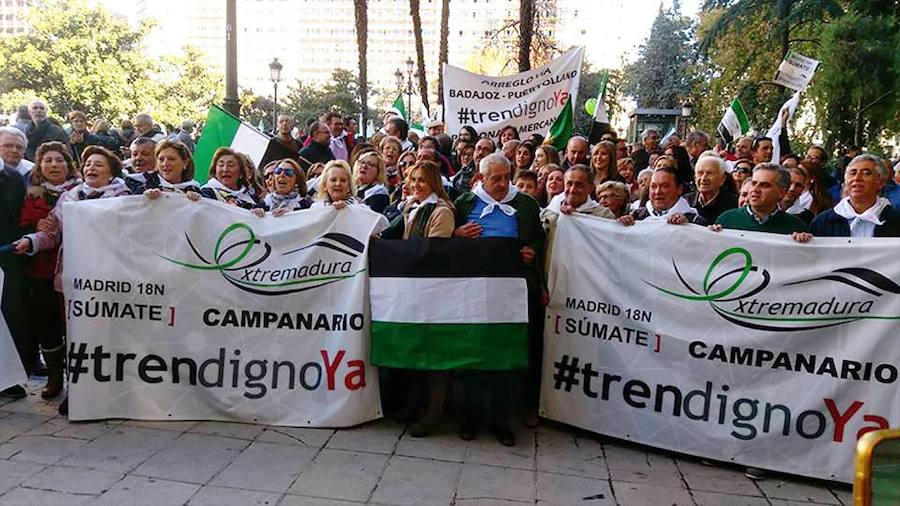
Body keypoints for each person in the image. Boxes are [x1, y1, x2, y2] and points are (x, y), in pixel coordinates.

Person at [13, 146, 131, 410]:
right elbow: (51, 234)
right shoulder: (70, 197)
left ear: (111, 172)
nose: (91, 168)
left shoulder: (125, 200)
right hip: (73, 278)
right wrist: (30, 241)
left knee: (101, 334)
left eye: (99, 165)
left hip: (107, 277)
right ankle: (74, 389)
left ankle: (102, 389)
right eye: (88, 164)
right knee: (74, 333)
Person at [452, 153, 543, 446]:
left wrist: (532, 252)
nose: (503, 183)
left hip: (510, 292)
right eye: (496, 179)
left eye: (507, 177)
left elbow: (539, 239)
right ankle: (469, 416)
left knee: (504, 356)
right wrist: (456, 234)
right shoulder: (465, 203)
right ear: (482, 179)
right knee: (472, 353)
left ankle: (501, 420)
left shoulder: (526, 204)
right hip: (473, 290)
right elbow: (442, 239)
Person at [380, 160, 454, 437]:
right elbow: (390, 233)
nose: (416, 185)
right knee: (415, 349)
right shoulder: (412, 207)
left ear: (434, 182)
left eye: (422, 180)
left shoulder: (441, 211)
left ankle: (433, 413)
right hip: (412, 288)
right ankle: (413, 405)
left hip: (433, 290)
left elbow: (434, 252)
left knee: (434, 354)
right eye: (413, 180)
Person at [17, 142, 80, 399]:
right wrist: (34, 228)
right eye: (48, 161)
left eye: (59, 160)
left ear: (68, 164)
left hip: (77, 269)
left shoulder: (81, 192)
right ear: (40, 166)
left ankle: (77, 382)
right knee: (48, 325)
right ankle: (54, 379)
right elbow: (19, 227)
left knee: (75, 326)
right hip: (42, 270)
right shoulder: (31, 194)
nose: (54, 165)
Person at [809, 154, 899, 237]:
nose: (857, 178)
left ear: (881, 182)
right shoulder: (822, 222)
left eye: (866, 173)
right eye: (853, 173)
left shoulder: (895, 221)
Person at [714, 163, 809, 236]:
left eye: (764, 185)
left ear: (781, 193)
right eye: (754, 183)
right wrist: (710, 236)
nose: (755, 189)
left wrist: (803, 243)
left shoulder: (796, 228)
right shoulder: (727, 220)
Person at [618, 165, 707, 226]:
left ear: (679, 189)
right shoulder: (637, 216)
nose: (657, 192)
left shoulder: (693, 220)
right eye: (653, 186)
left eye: (665, 186)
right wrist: (622, 224)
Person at [200, 148, 266, 215]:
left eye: (231, 165)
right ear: (215, 171)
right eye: (221, 165)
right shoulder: (206, 193)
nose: (225, 169)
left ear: (240, 172)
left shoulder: (251, 199)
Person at [126, 140, 200, 195]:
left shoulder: (193, 189)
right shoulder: (138, 182)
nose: (165, 163)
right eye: (161, 159)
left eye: (171, 159)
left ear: (185, 162)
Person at [683, 153, 737, 223]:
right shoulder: (685, 202)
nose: (703, 178)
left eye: (709, 173)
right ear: (695, 178)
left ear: (722, 179)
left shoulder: (734, 205)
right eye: (700, 173)